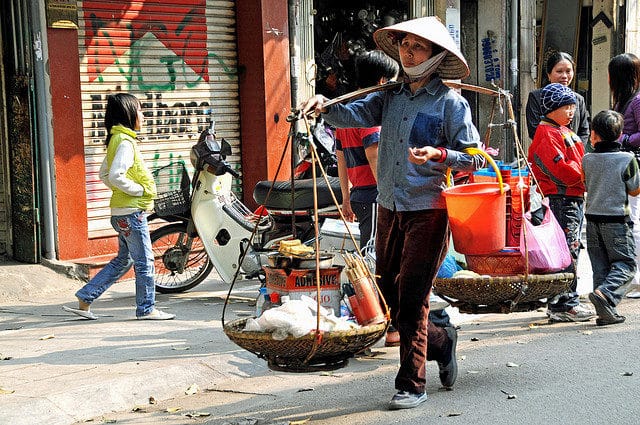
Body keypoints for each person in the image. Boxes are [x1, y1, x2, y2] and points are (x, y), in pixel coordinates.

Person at [302, 16, 484, 410]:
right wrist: (322, 107)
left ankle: (411, 383)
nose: (408, 52)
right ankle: (441, 340)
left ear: (435, 56)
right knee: (388, 297)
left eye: (417, 47)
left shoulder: (451, 103)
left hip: (429, 209)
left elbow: (476, 158)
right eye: (404, 44)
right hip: (389, 207)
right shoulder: (390, 97)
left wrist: (441, 154)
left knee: (413, 294)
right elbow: (351, 116)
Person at [63, 93, 175, 321]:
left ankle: (86, 297)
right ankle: (146, 309)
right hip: (132, 213)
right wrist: (140, 191)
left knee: (125, 259)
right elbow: (114, 175)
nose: (143, 116)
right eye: (140, 110)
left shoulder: (117, 139)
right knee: (145, 262)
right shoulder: (124, 142)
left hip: (121, 213)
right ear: (129, 114)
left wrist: (123, 191)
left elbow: (103, 174)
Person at [527, 83, 594, 322]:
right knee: (568, 250)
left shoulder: (561, 130)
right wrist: (586, 177)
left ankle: (564, 300)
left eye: (572, 107)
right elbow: (562, 170)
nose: (571, 111)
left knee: (570, 248)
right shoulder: (547, 134)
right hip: (562, 199)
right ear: (552, 109)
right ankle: (564, 303)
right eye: (566, 107)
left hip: (571, 198)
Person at [336, 50, 399, 248]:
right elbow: (374, 157)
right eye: (393, 83)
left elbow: (341, 159)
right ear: (382, 81)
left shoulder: (347, 111)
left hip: (359, 195)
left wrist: (346, 199)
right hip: (374, 196)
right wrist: (387, 198)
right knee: (373, 254)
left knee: (372, 251)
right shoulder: (369, 113)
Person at [583, 110, 640, 325]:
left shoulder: (587, 159)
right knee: (626, 264)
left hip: (592, 220)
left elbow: (585, 185)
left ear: (593, 134)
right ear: (620, 134)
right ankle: (606, 294)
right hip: (616, 221)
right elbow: (635, 190)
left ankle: (606, 313)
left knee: (601, 266)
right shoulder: (627, 158)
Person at [608, 53, 640, 298]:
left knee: (634, 221)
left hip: (634, 166)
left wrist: (624, 139)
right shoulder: (624, 100)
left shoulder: (636, 101)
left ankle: (636, 277)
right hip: (624, 164)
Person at [525, 51, 590, 146]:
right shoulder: (536, 97)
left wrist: (575, 151)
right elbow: (534, 130)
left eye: (568, 71)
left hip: (574, 156)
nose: (564, 76)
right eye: (559, 71)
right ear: (549, 74)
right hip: (548, 154)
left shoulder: (578, 99)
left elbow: (584, 131)